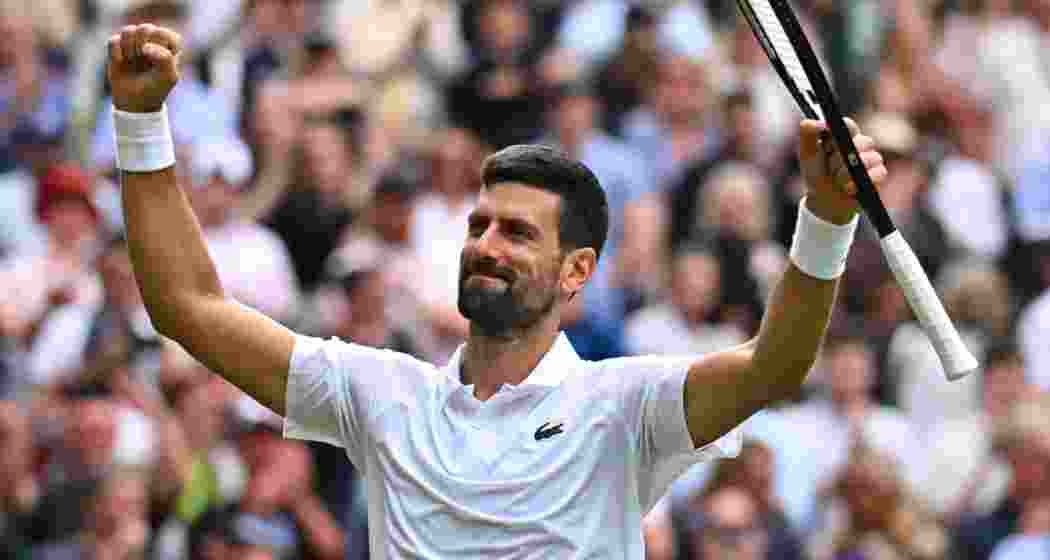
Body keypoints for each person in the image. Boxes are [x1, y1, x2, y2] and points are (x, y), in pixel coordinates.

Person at [104, 23, 888, 558]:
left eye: (517, 232)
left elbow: (774, 368)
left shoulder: (625, 404)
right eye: (479, 225)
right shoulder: (382, 392)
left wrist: (824, 216)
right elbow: (188, 307)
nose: (485, 243)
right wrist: (140, 121)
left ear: (578, 271)